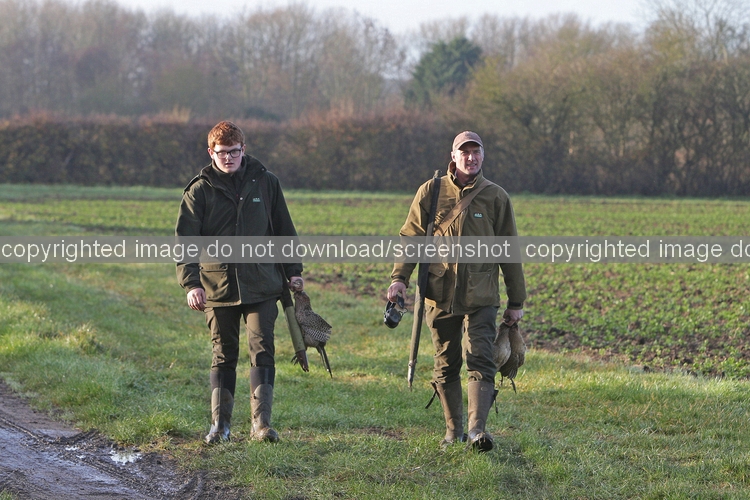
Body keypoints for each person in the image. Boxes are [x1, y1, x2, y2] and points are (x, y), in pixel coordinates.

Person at [386, 131, 526, 452]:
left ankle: (477, 432)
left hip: (482, 295)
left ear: (483, 156)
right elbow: (411, 237)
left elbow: (510, 251)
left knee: (480, 359)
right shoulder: (431, 191)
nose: (471, 157)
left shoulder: (496, 196)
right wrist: (399, 278)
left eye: (476, 152)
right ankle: (453, 432)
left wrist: (516, 300)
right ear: (454, 155)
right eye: (465, 152)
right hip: (439, 293)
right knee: (446, 362)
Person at [176, 120, 303, 444]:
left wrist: (293, 270)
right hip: (217, 288)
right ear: (211, 152)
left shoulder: (266, 183)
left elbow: (284, 230)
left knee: (263, 350)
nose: (228, 158)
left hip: (262, 284)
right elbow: (185, 242)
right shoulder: (199, 190)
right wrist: (192, 284)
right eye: (222, 152)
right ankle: (220, 427)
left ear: (243, 149)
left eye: (234, 152)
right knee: (223, 354)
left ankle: (261, 426)